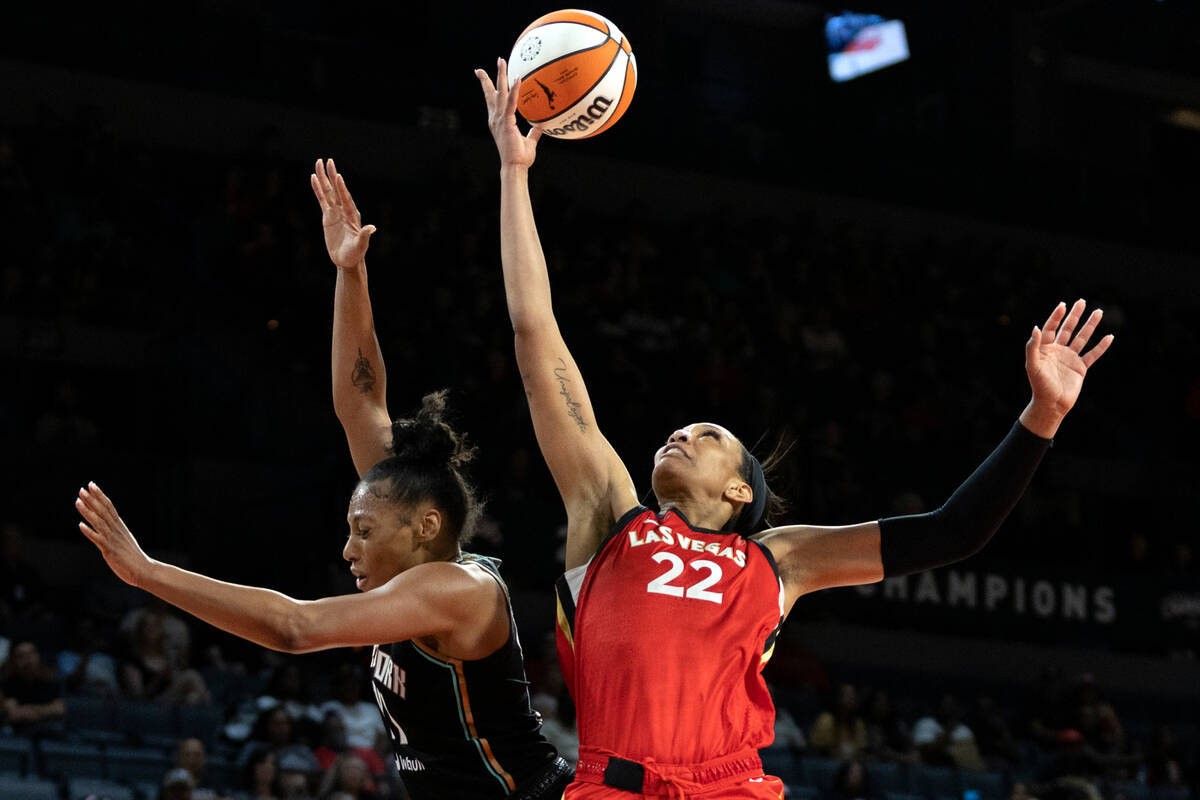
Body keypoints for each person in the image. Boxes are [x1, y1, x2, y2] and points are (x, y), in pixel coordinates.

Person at [476, 57, 1114, 799]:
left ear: (740, 486)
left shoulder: (780, 561)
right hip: (611, 785)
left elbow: (952, 532)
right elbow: (534, 331)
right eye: (678, 430)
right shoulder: (608, 517)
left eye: (707, 433)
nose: (679, 435)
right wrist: (515, 175)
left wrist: (1041, 416)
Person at [73, 161, 571, 800]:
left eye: (363, 531)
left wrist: (147, 573)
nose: (348, 548)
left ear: (425, 526)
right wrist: (349, 271)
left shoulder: (458, 590)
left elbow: (295, 628)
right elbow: (360, 403)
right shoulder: (410, 535)